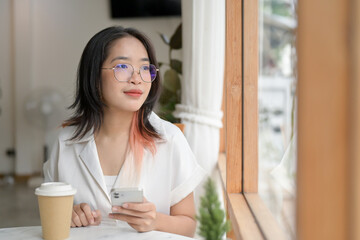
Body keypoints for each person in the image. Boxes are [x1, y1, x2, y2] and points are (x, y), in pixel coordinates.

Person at [43, 26, 206, 237]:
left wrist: (155, 220)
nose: (137, 78)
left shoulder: (170, 139)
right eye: (123, 66)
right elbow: (50, 218)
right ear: (93, 75)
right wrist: (69, 215)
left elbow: (190, 225)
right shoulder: (65, 144)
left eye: (145, 68)